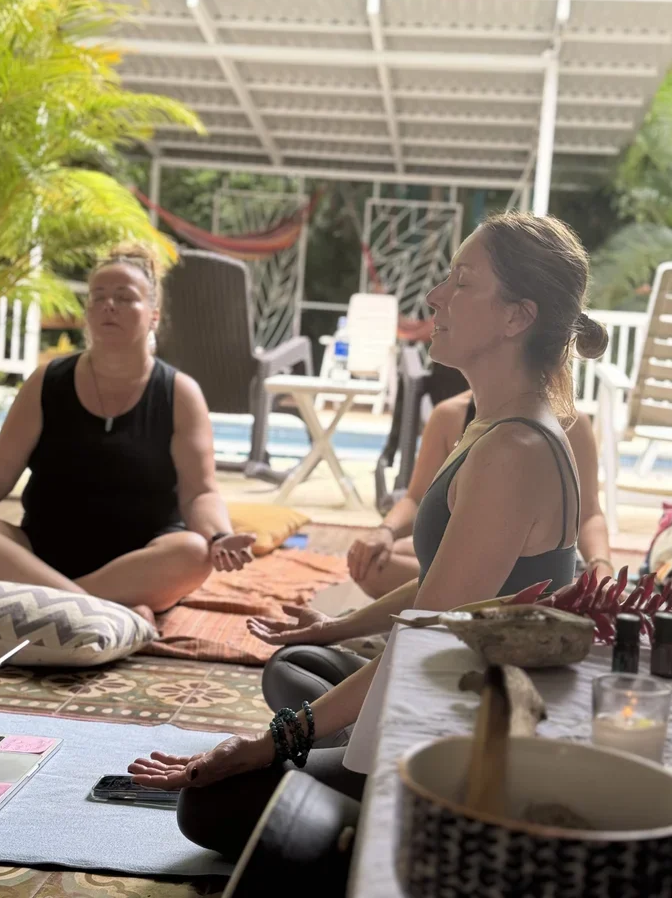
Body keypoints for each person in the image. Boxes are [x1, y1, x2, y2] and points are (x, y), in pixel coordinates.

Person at [128, 211, 609, 863]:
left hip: (465, 728)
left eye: (461, 283)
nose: (436, 297)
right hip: (444, 679)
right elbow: (445, 580)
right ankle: (343, 762)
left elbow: (424, 636)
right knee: (300, 666)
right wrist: (335, 628)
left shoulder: (514, 452)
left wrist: (276, 741)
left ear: (516, 318)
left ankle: (409, 831)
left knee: (210, 806)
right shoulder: (498, 426)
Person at [0, 244, 254, 614]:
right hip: (41, 555)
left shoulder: (180, 392)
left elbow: (200, 492)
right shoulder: (47, 381)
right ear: (88, 311)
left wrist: (219, 536)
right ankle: (103, 610)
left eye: (125, 298)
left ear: (153, 316)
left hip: (139, 562)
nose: (109, 305)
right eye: (99, 297)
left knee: (193, 553)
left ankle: (50, 604)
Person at [348, 390, 613, 601]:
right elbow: (415, 498)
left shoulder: (565, 423)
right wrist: (385, 530)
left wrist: (602, 567)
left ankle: (448, 593)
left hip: (534, 575)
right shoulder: (449, 415)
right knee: (368, 562)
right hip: (463, 556)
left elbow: (589, 513)